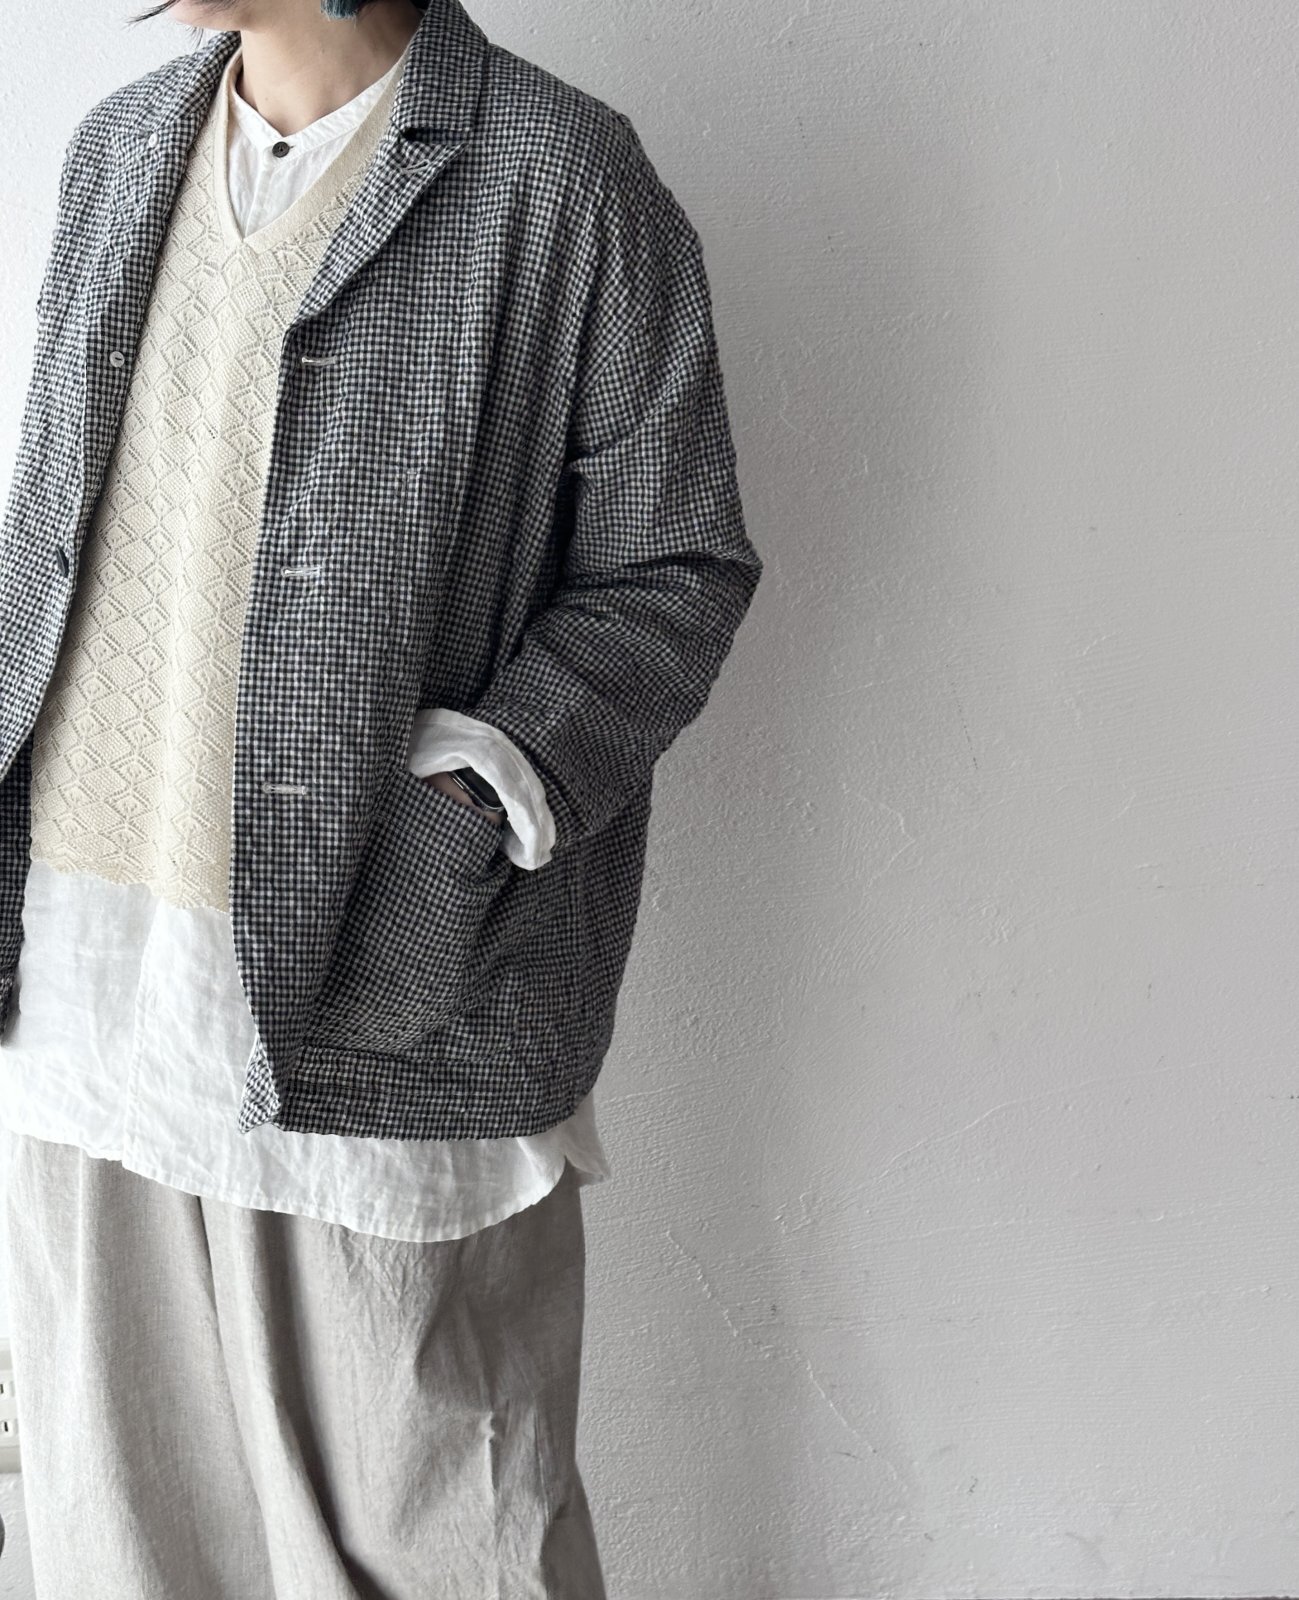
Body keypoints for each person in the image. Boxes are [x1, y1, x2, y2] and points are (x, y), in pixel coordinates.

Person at [0, 0, 763, 1593]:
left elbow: (674, 564)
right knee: (122, 1538)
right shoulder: (121, 148)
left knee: (445, 1536)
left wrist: (479, 796)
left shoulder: (560, 177)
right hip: (89, 979)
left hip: (382, 974)